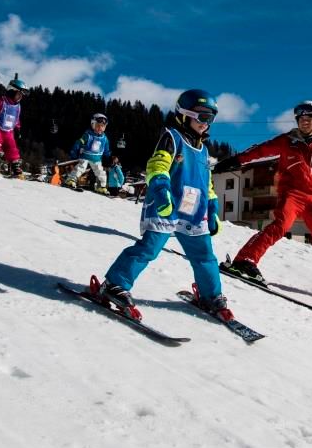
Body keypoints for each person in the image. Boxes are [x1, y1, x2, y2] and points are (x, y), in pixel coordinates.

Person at [99, 89, 231, 319]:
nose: (205, 123)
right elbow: (157, 165)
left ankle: (211, 295)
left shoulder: (204, 150)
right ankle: (114, 284)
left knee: (204, 255)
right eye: (201, 116)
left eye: (210, 118)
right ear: (183, 114)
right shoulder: (172, 137)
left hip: (193, 211)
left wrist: (212, 206)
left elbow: (206, 182)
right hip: (167, 205)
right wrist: (160, 188)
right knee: (149, 248)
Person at [216, 100, 312, 298]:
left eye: (308, 119)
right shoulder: (287, 141)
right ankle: (245, 260)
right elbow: (259, 151)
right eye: (301, 119)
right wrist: (235, 160)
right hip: (292, 194)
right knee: (280, 226)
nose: (304, 122)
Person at [66, 113, 111, 193]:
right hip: (85, 155)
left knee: (101, 172)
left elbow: (106, 149)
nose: (100, 128)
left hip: (97, 158)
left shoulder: (104, 138)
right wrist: (74, 151)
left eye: (102, 126)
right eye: (98, 125)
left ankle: (101, 186)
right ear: (93, 125)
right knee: (81, 168)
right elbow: (79, 142)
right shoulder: (88, 135)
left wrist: (107, 157)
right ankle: (71, 180)